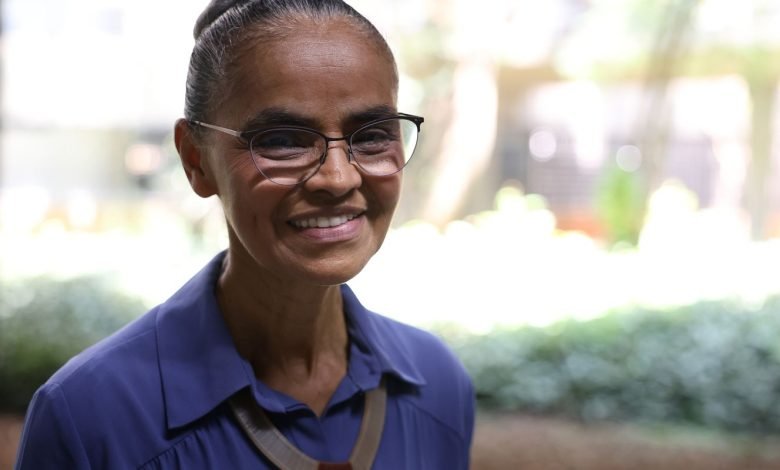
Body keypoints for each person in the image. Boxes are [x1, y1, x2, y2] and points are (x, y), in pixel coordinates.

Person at [14, 0, 475, 468]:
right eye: (282, 140)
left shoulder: (437, 386)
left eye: (373, 134)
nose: (338, 178)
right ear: (196, 160)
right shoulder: (90, 418)